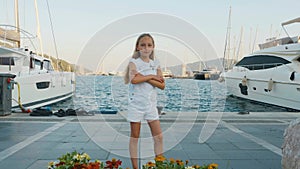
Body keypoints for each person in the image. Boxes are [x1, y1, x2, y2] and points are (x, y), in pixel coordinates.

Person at [124, 33, 165, 169]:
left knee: (159, 137)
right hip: (136, 105)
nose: (146, 48)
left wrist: (146, 76)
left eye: (149, 45)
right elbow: (134, 80)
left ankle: (159, 165)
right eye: (143, 45)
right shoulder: (133, 63)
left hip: (151, 106)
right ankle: (136, 167)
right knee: (135, 137)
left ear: (153, 47)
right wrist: (152, 76)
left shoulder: (156, 64)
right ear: (137, 47)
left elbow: (162, 85)